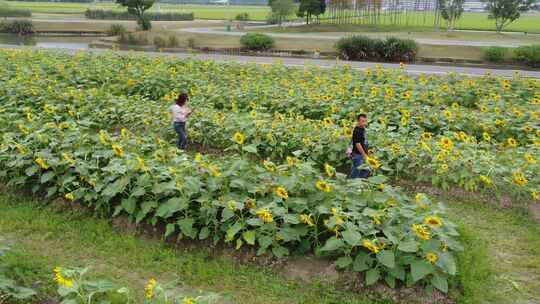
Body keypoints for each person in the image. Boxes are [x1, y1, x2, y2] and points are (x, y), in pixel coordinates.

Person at [350, 113, 370, 179]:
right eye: (362, 121)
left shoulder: (363, 129)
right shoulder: (357, 130)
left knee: (363, 170)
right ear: (358, 121)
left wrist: (367, 153)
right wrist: (364, 155)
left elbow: (364, 142)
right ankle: (353, 184)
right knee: (356, 172)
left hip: (361, 155)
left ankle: (356, 183)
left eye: (365, 121)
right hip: (358, 155)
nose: (364, 123)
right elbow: (358, 144)